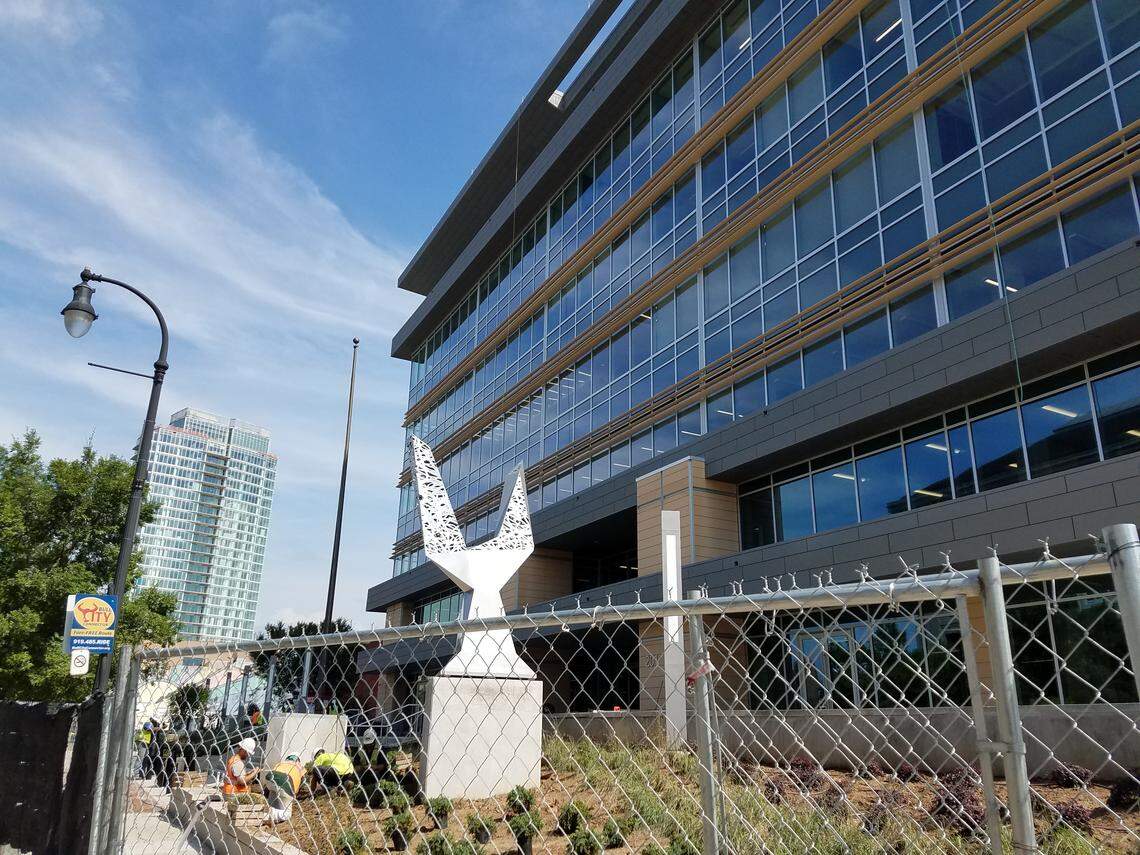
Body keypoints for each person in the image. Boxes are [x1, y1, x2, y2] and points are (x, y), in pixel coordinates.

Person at [222, 737, 263, 815]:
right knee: (260, 800)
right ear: (244, 750)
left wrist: (249, 773)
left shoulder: (233, 759)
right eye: (248, 753)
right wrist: (255, 773)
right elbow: (241, 782)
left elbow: (236, 777)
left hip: (230, 792)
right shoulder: (238, 763)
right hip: (235, 795)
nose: (248, 755)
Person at [262, 754, 304, 823]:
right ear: (298, 760)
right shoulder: (299, 766)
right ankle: (268, 815)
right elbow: (303, 780)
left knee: (273, 805)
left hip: (270, 777)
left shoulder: (281, 763)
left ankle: (264, 813)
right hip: (285, 781)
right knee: (286, 814)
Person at [351, 728, 391, 797]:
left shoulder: (380, 749)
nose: (369, 745)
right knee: (355, 776)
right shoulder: (360, 750)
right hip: (364, 772)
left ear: (375, 740)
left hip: (377, 773)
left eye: (370, 744)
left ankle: (375, 790)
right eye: (367, 744)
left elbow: (383, 765)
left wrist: (373, 767)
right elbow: (355, 766)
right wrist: (363, 767)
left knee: (374, 774)